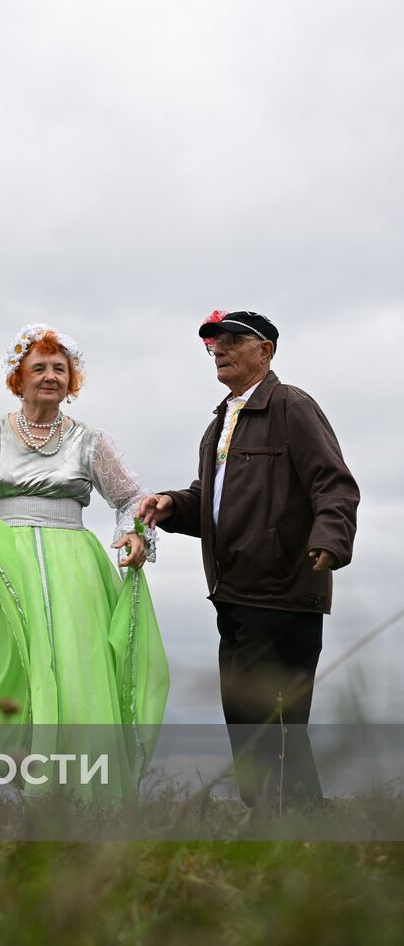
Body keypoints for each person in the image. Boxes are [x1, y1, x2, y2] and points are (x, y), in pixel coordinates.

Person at [0, 325, 169, 798]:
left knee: (77, 675)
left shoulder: (90, 440)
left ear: (72, 381)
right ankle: (34, 782)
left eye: (60, 368)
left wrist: (135, 535)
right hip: (5, 570)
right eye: (38, 367)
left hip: (73, 569)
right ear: (18, 379)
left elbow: (131, 499)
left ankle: (82, 800)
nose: (50, 376)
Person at [138, 311, 358, 809]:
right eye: (214, 341)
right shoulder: (221, 421)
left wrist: (330, 539)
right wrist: (173, 504)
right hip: (234, 594)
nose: (220, 347)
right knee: (247, 719)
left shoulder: (291, 405)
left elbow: (334, 483)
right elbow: (214, 501)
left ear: (266, 351)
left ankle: (288, 827)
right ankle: (285, 828)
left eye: (233, 340)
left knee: (271, 721)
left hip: (283, 587)